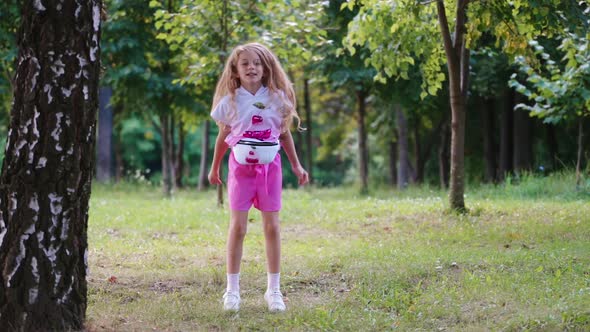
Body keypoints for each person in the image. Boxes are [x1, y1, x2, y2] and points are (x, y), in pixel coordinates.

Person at [208, 42, 309, 312]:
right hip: (240, 170)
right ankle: (232, 291)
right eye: (245, 63)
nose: (251, 67)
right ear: (236, 70)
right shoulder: (230, 100)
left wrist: (297, 166)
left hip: (270, 169)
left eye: (257, 63)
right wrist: (214, 167)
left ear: (265, 69)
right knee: (238, 228)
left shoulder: (277, 99)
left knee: (272, 227)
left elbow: (285, 133)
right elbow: (223, 136)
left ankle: (274, 291)